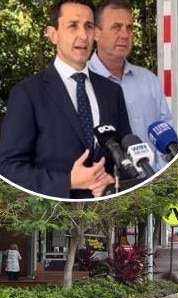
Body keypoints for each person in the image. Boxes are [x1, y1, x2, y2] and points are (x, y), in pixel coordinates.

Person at [0, 0, 132, 199]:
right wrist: (68, 181)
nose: (83, 35)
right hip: (52, 217)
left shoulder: (112, 92)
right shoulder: (28, 93)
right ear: (53, 34)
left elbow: (127, 158)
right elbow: (8, 168)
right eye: (73, 26)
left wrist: (114, 181)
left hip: (108, 212)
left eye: (88, 26)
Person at [90, 0, 174, 172]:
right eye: (116, 27)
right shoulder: (80, 82)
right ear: (96, 34)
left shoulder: (148, 80)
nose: (125, 35)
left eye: (129, 28)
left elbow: (165, 133)